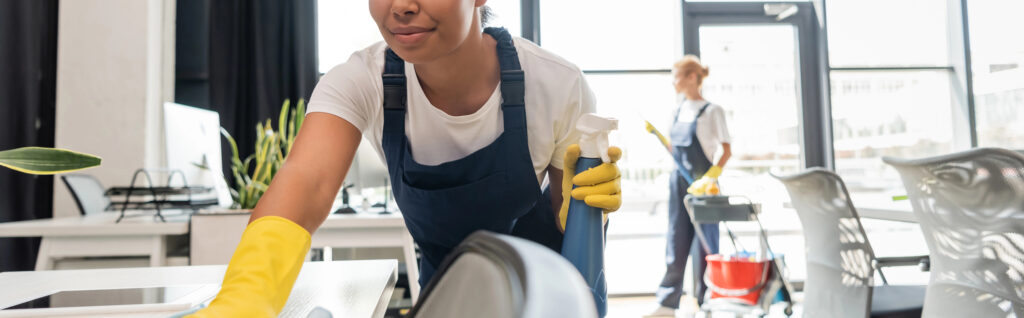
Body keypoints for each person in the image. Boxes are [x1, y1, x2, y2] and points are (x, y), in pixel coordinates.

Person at [188, 1, 622, 317]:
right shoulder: (361, 81)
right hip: (448, 295)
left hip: (545, 298)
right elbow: (307, 182)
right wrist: (244, 298)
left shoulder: (556, 83)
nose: (401, 7)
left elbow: (576, 228)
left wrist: (588, 210)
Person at [647, 55, 732, 317]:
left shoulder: (712, 111)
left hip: (705, 185)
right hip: (678, 182)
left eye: (677, 76)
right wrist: (659, 137)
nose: (673, 82)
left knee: (707, 244)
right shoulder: (677, 110)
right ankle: (667, 303)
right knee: (676, 240)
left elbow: (726, 150)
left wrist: (711, 176)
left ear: (692, 77)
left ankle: (707, 302)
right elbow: (676, 150)